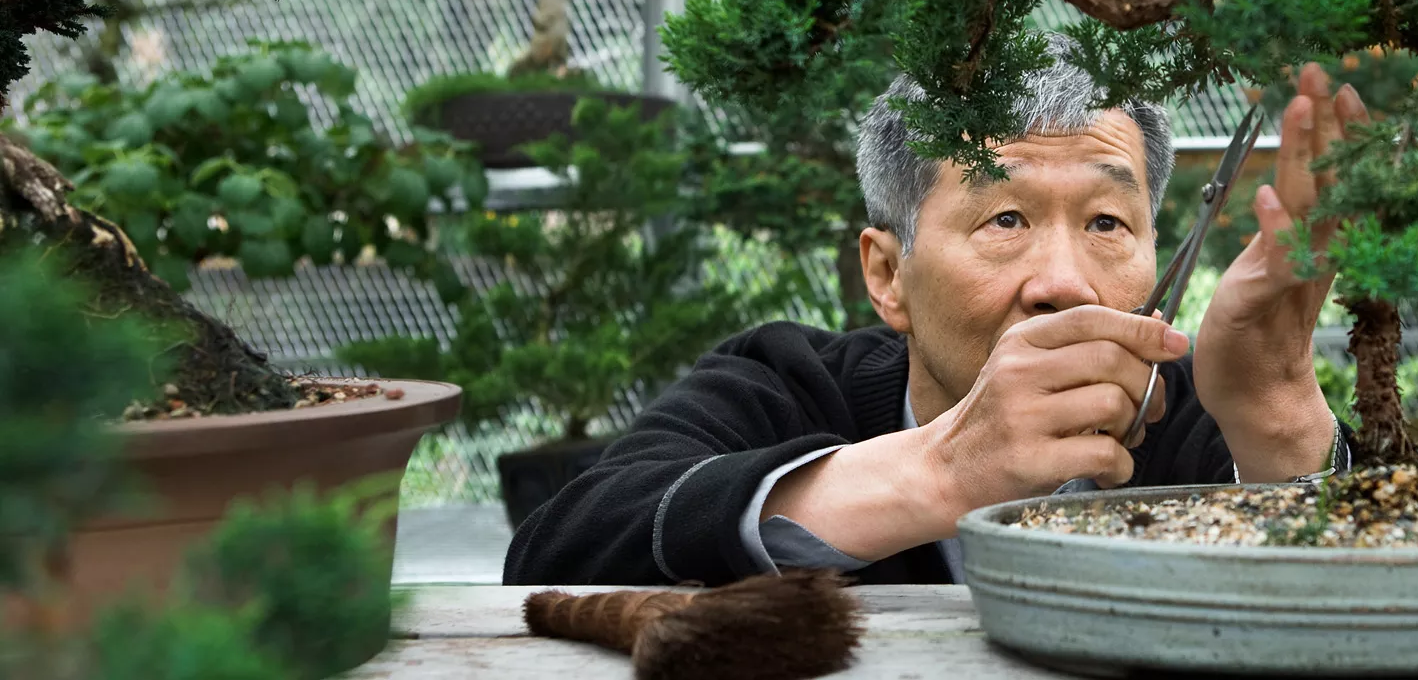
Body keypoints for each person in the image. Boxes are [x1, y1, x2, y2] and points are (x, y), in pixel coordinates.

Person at [503, 31, 1372, 587]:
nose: (1062, 280)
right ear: (888, 275)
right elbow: (556, 552)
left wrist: (1277, 405)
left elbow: (1372, 605)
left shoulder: (1200, 417)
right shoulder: (789, 383)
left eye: (1108, 220)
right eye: (1005, 217)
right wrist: (945, 470)